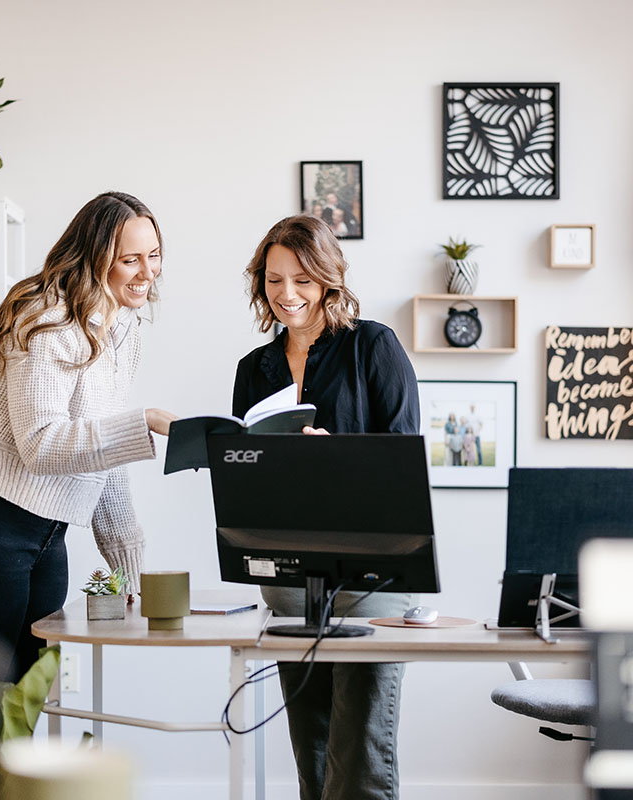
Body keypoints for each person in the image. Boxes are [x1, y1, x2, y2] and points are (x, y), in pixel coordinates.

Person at [0, 191, 177, 710]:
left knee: (25, 704)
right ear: (93, 257)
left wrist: (127, 566)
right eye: (130, 259)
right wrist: (147, 423)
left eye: (154, 255)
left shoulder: (120, 330)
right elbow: (41, 444)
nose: (147, 272)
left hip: (44, 532)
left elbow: (102, 450)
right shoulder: (45, 320)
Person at [232, 214, 419, 800]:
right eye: (273, 280)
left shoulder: (373, 344)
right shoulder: (253, 370)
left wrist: (335, 457)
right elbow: (245, 478)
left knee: (360, 740)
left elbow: (406, 459)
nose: (287, 294)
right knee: (310, 740)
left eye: (303, 281)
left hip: (374, 568)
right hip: (290, 575)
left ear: (329, 280)